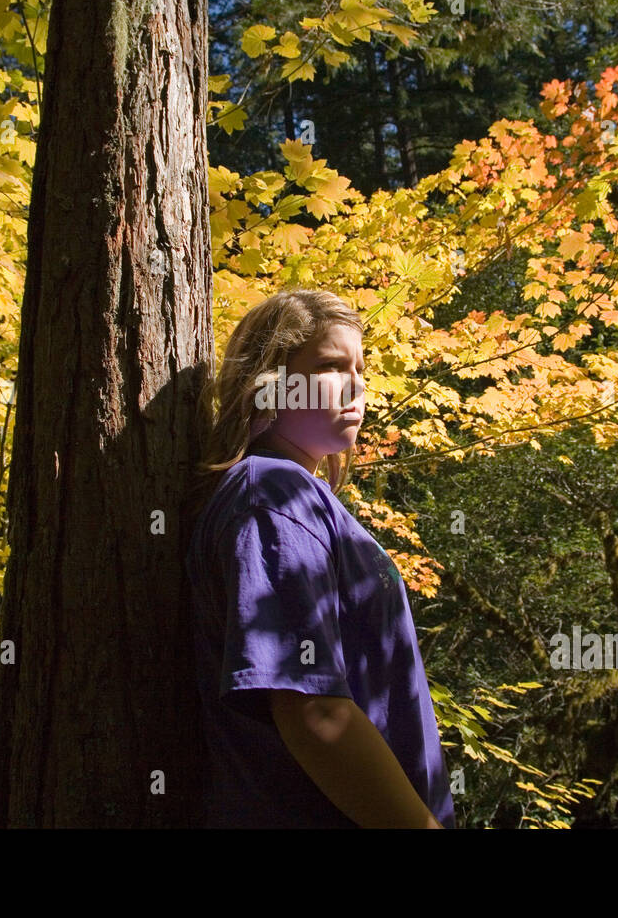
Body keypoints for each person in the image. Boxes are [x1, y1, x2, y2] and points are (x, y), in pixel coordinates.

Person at [183, 289, 455, 828]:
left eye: (360, 366)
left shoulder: (294, 496)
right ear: (269, 382)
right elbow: (313, 709)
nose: (356, 385)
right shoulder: (273, 497)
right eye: (330, 366)